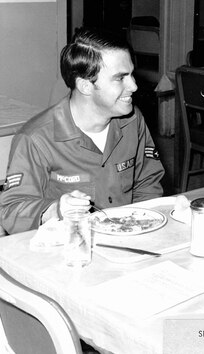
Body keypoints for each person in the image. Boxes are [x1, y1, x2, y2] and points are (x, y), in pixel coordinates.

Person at [0, 28, 165, 234]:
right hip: (69, 247)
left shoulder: (133, 120)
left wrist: (140, 228)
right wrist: (55, 210)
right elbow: (11, 209)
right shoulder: (36, 138)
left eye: (131, 74)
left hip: (127, 242)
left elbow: (148, 183)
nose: (133, 86)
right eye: (120, 78)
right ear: (86, 86)